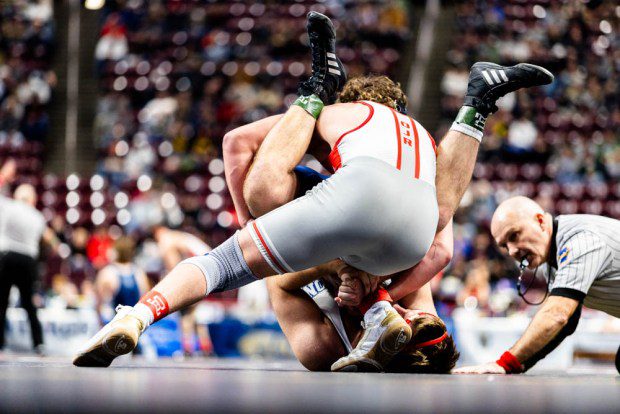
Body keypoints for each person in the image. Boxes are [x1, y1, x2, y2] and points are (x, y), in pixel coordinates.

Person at [73, 12, 552, 367]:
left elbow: (236, 142)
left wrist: (252, 226)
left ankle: (136, 317)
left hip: (352, 204)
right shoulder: (425, 141)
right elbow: (441, 247)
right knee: (421, 243)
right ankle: (475, 110)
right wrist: (377, 283)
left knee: (232, 251)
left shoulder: (338, 117)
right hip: (414, 229)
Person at [454, 196, 620, 375]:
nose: (512, 251)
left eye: (514, 235)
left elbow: (558, 315)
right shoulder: (552, 257)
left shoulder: (579, 240)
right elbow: (566, 324)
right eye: (504, 245)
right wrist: (516, 366)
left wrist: (505, 364)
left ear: (540, 221)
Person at [0, 160, 59, 354]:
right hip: (28, 261)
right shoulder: (38, 216)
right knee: (29, 305)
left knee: (2, 302)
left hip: (7, 257)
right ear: (32, 199)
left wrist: (5, 174)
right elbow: (51, 241)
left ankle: (0, 343)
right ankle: (38, 344)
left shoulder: (8, 206)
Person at [152, 226, 213, 355]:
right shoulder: (180, 236)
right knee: (195, 312)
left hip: (199, 268)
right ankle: (206, 347)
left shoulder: (166, 239)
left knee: (186, 312)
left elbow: (173, 265)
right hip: (210, 265)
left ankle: (187, 349)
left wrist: (175, 284)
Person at [95, 236, 150, 320]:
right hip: (134, 322)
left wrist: (100, 322)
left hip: (114, 322)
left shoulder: (107, 273)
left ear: (116, 251)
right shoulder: (139, 272)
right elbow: (146, 299)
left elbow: (99, 302)